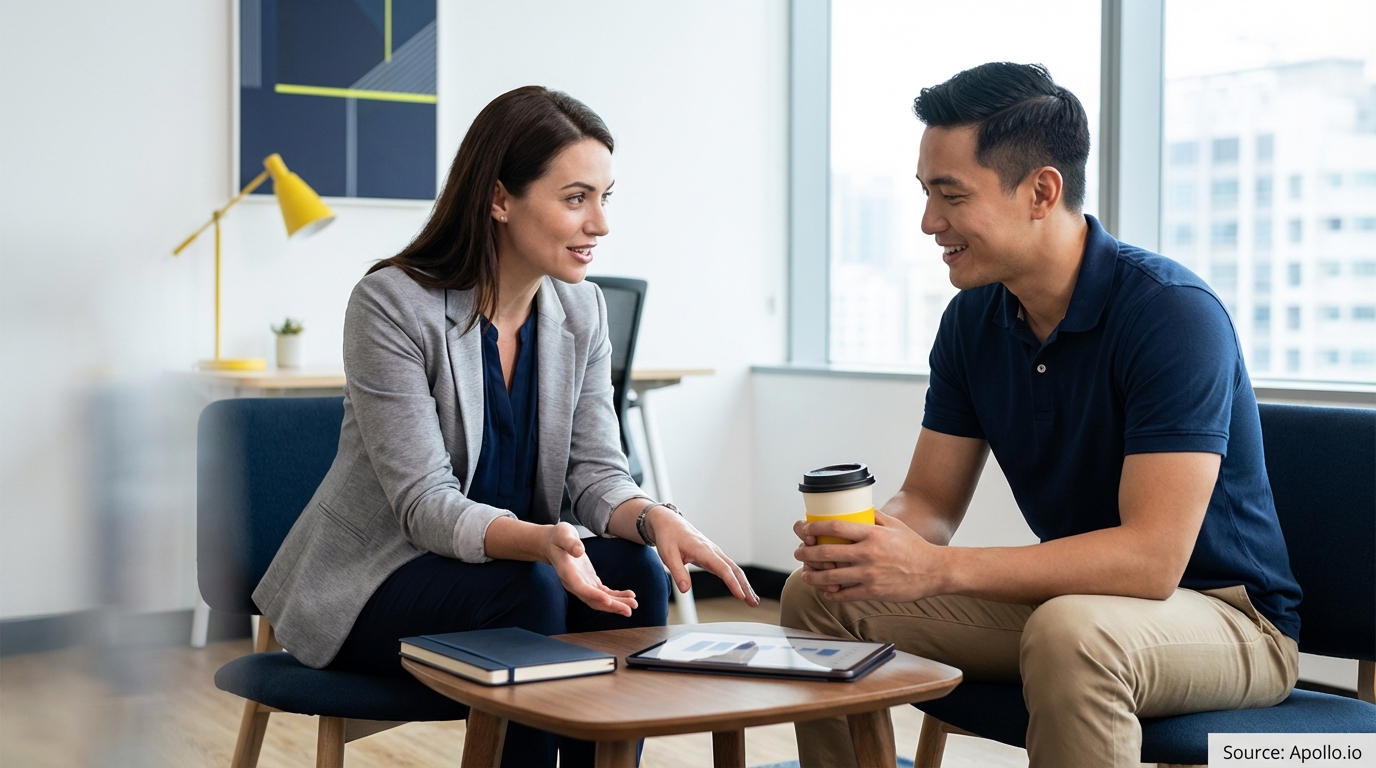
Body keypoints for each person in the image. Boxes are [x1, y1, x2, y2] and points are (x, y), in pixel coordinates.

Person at [782, 63, 1300, 768]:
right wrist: (871, 544)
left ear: (1041, 191)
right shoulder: (972, 322)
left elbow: (1151, 561)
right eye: (926, 193)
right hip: (1075, 602)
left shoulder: (1171, 314)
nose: (930, 222)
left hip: (1227, 618)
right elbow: (931, 501)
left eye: (950, 195)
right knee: (822, 597)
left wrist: (938, 570)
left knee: (1072, 632)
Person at [253, 86, 758, 768]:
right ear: (499, 200)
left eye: (607, 197)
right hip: (378, 582)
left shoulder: (583, 314)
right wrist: (541, 543)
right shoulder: (393, 304)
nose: (600, 224)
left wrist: (651, 517)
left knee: (632, 563)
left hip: (513, 575)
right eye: (576, 198)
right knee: (531, 586)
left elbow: (595, 472)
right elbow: (424, 505)